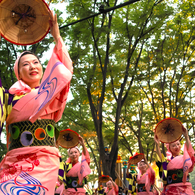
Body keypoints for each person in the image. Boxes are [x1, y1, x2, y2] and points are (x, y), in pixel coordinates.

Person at [0, 10, 73, 194]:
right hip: (13, 163)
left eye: (35, 62)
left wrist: (57, 37)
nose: (32, 66)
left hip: (44, 162)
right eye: (25, 64)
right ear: (18, 72)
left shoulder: (51, 92)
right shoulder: (8, 96)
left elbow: (63, 70)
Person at [154, 126, 195, 194]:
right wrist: (157, 144)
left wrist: (186, 136)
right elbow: (160, 159)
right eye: (173, 145)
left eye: (178, 144)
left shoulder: (185, 158)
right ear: (169, 148)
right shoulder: (167, 160)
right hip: (171, 190)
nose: (176, 147)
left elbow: (190, 151)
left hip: (184, 189)